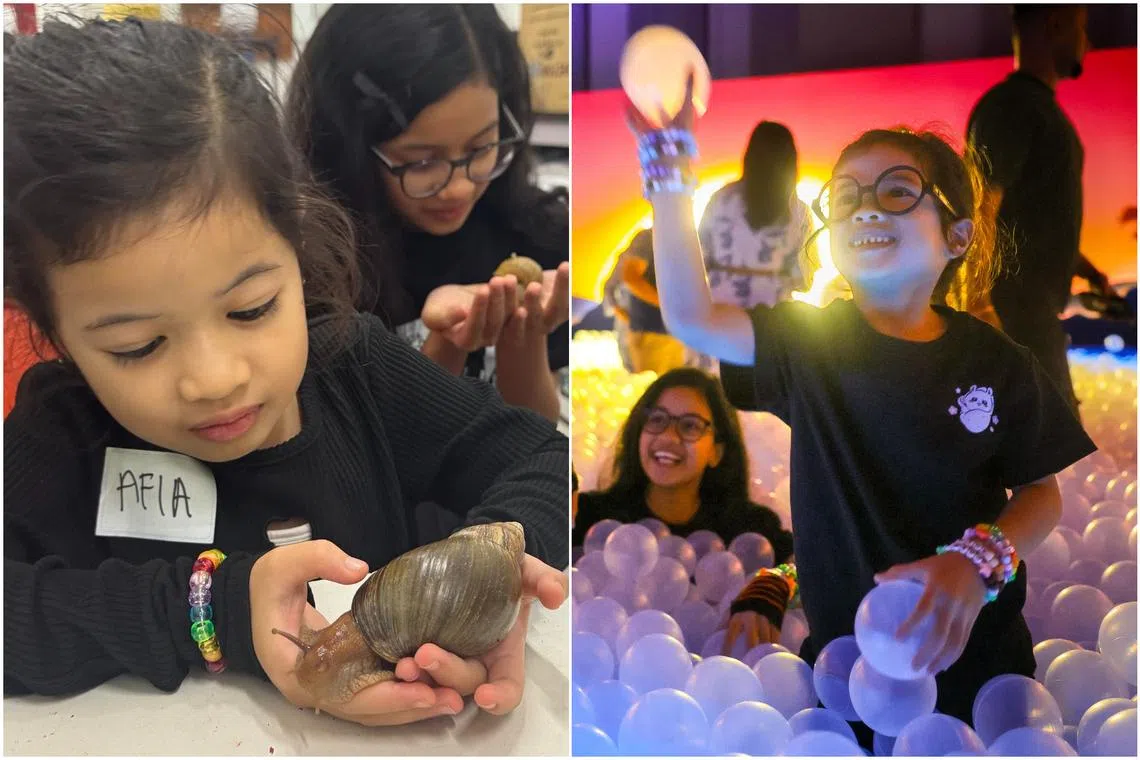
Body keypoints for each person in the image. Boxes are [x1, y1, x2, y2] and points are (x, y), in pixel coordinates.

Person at [3, 18, 568, 726]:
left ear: (297, 248)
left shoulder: (356, 367)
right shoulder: (61, 433)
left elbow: (542, 455)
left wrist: (491, 587)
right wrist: (213, 613)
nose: (213, 380)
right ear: (53, 329)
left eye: (251, 309)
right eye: (137, 346)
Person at [627, 75, 1096, 731]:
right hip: (848, 675)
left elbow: (1041, 492)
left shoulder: (998, 362)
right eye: (845, 197)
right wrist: (670, 178)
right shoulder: (806, 342)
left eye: (898, 191)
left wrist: (975, 564)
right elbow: (692, 316)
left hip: (980, 666)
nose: (866, 210)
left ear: (958, 236)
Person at [287, 5, 569, 422]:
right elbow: (370, 449)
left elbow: (537, 431)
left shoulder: (537, 233)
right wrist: (448, 343)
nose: (459, 188)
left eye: (481, 148)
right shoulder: (313, 266)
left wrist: (522, 338)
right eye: (420, 162)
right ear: (349, 154)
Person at [967, 3, 1110, 415]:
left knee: (1049, 440)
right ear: (1056, 23)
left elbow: (1028, 219)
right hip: (1014, 320)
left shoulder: (1032, 107)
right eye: (1082, 28)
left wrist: (1083, 268)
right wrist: (979, 307)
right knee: (1049, 441)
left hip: (1030, 318)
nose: (1087, 43)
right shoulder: (1013, 106)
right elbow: (979, 209)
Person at [573, 367, 793, 561]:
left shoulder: (751, 535)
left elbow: (797, 570)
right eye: (657, 419)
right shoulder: (590, 518)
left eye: (690, 426)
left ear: (716, 452)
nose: (668, 436)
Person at [689, 121, 813, 372]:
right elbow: (803, 277)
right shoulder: (798, 211)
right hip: (773, 315)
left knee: (717, 382)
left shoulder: (721, 199)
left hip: (720, 308)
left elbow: (699, 254)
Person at [601, 229, 687, 375]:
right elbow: (630, 277)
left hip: (671, 331)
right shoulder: (648, 237)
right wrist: (668, 305)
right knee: (655, 381)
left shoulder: (682, 236)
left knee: (671, 380)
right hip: (651, 330)